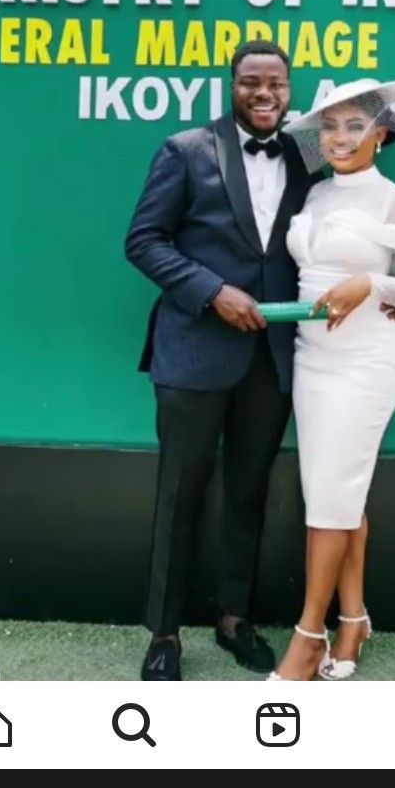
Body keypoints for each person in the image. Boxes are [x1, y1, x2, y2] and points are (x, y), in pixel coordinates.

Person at [125, 40, 318, 680]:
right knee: (179, 495)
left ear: (291, 88)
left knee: (248, 494)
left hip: (271, 357)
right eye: (251, 83)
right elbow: (143, 241)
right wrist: (212, 292)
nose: (264, 94)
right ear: (230, 84)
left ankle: (235, 619)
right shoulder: (185, 151)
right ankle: (164, 634)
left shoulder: (305, 154)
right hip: (193, 354)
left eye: (276, 84)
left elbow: (371, 152)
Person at [269, 79, 395, 681]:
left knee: (333, 495)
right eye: (331, 126)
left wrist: (372, 285)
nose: (340, 137)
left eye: (355, 126)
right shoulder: (313, 197)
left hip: (367, 361)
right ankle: (352, 619)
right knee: (335, 492)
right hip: (310, 358)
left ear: (383, 133)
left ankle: (309, 635)